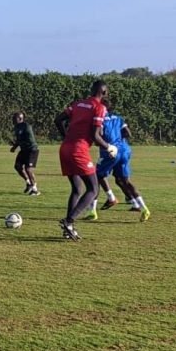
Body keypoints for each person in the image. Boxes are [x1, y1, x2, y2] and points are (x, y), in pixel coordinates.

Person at [53, 80, 117, 242]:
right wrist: (109, 147)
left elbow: (58, 120)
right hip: (78, 151)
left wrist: (66, 136)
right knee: (93, 189)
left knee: (76, 189)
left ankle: (69, 228)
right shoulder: (99, 108)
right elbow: (96, 136)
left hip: (65, 148)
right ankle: (69, 221)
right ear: (104, 93)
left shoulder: (78, 104)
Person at [88, 104, 151, 222]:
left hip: (110, 150)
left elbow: (98, 135)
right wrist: (118, 140)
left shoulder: (99, 119)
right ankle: (143, 208)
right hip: (125, 150)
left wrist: (107, 142)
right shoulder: (118, 118)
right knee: (123, 180)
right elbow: (128, 133)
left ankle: (94, 211)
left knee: (95, 176)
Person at [10, 111, 40, 196]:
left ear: (20, 119)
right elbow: (19, 139)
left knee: (28, 169)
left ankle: (35, 189)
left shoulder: (26, 126)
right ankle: (28, 182)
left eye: (14, 118)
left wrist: (17, 144)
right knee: (17, 166)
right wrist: (14, 147)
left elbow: (29, 141)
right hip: (24, 150)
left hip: (31, 150)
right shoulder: (17, 127)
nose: (13, 120)